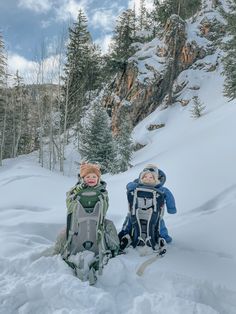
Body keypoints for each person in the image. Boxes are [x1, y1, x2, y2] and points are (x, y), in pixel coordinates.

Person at [54, 162, 119, 284]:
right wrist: (77, 192)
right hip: (77, 224)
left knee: (109, 225)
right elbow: (69, 205)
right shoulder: (75, 191)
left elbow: (105, 207)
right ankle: (58, 251)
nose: (91, 179)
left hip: (97, 223)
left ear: (98, 178)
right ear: (82, 178)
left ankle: (115, 249)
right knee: (64, 232)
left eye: (94, 177)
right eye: (88, 177)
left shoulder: (103, 192)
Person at [118, 164, 177, 251]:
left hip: (155, 213)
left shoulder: (161, 189)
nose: (147, 179)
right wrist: (132, 185)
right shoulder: (137, 185)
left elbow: (169, 197)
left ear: (156, 179)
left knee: (160, 224)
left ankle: (164, 237)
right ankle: (124, 235)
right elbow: (129, 185)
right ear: (141, 178)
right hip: (136, 211)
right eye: (145, 177)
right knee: (129, 221)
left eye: (151, 177)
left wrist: (171, 208)